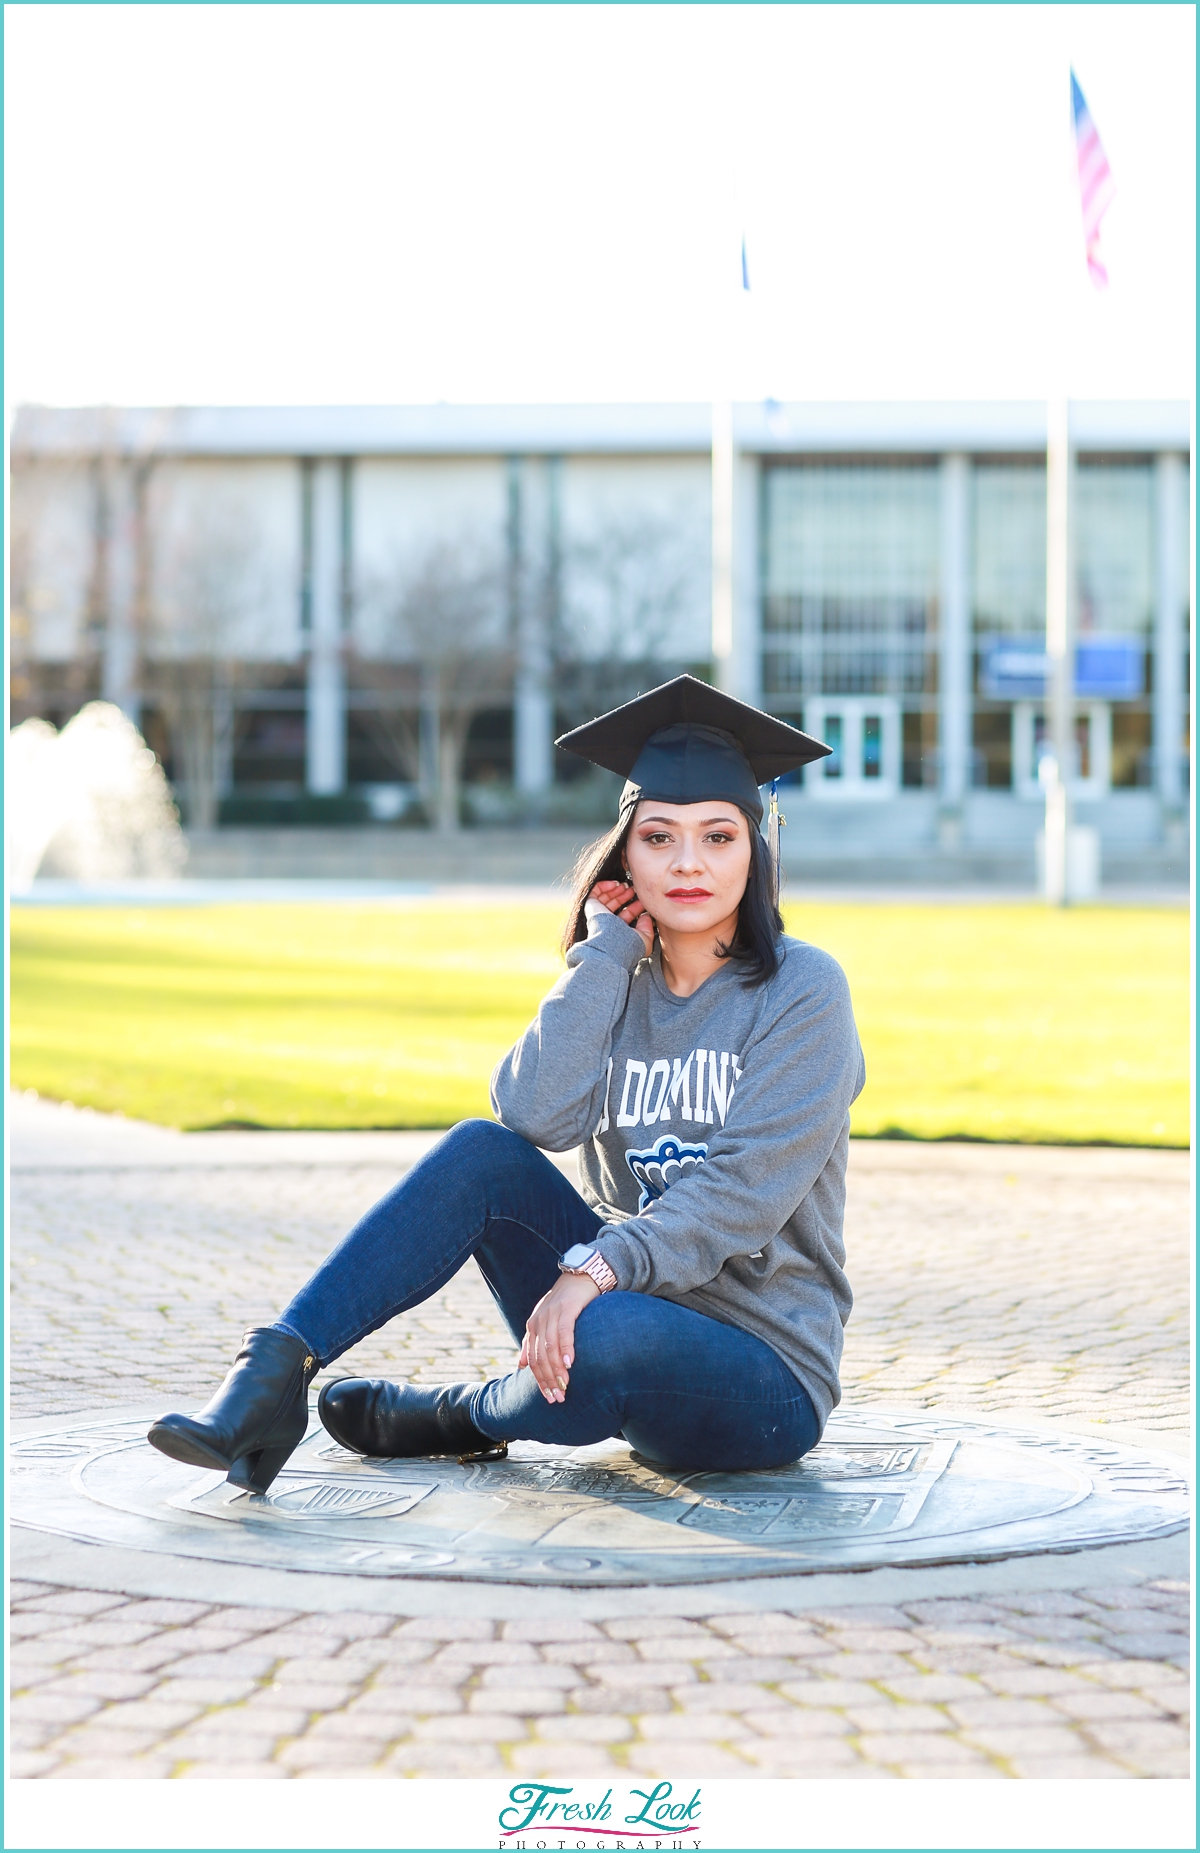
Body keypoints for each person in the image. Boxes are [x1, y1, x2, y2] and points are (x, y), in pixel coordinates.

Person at [148, 675, 865, 1493]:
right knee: (481, 1154)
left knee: (609, 1331)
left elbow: (741, 1195)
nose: (689, 863)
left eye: (719, 836)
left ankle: (463, 1412)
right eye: (659, 838)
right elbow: (530, 1114)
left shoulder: (804, 990)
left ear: (757, 847)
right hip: (608, 1301)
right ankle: (274, 1370)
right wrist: (601, 961)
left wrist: (590, 1271)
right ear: (624, 854)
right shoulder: (616, 978)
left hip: (760, 1369)